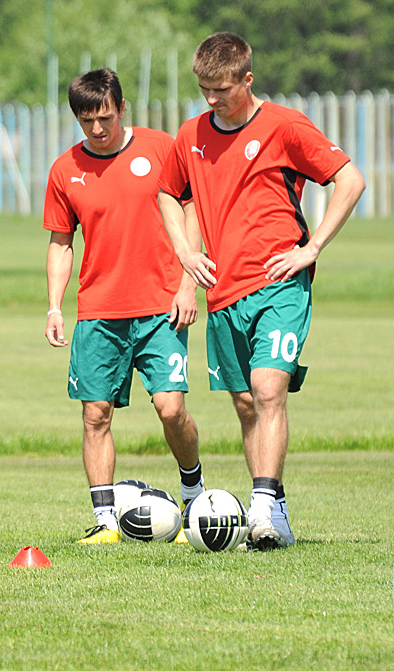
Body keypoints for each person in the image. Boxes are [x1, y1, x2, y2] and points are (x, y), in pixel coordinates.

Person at [158, 33, 365, 550]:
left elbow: (350, 180)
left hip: (279, 284)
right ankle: (276, 509)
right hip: (221, 293)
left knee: (269, 389)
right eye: (204, 89)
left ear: (247, 80)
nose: (212, 99)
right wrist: (185, 252)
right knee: (247, 404)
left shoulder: (284, 126)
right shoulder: (190, 135)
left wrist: (312, 247)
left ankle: (264, 513)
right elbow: (167, 191)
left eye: (222, 89)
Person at [44, 68, 205, 545]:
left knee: (171, 408)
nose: (97, 128)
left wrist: (187, 284)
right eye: (87, 119)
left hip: (161, 306)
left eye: (106, 117)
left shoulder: (161, 148)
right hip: (98, 312)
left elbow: (192, 211)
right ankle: (107, 523)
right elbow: (60, 243)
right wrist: (55, 306)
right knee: (95, 415)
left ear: (122, 108)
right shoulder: (64, 169)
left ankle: (194, 498)